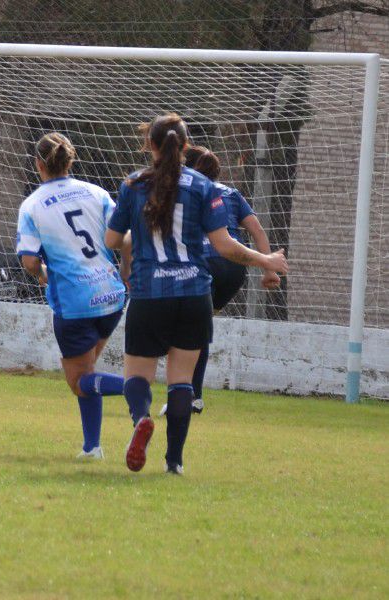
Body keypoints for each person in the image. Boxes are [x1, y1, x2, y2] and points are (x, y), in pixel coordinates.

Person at [105, 113, 288, 475]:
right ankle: (174, 462)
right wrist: (265, 258)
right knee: (182, 381)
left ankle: (142, 418)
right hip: (193, 295)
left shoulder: (133, 185)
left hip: (149, 292)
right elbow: (225, 246)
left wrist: (131, 251)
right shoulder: (204, 186)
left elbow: (112, 240)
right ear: (186, 147)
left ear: (149, 145)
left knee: (136, 377)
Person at [16, 132, 128, 460]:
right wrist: (125, 273)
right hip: (111, 297)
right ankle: (92, 446)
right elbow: (126, 240)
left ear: (38, 164)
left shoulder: (33, 205)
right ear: (71, 160)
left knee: (79, 380)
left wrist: (42, 276)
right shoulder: (96, 193)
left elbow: (30, 260)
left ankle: (132, 387)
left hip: (74, 301)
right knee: (88, 372)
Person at [176, 146, 281, 413]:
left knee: (188, 331)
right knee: (198, 327)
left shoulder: (185, 190)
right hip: (234, 270)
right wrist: (269, 269)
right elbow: (257, 230)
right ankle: (192, 395)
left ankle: (190, 395)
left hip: (204, 262)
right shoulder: (231, 193)